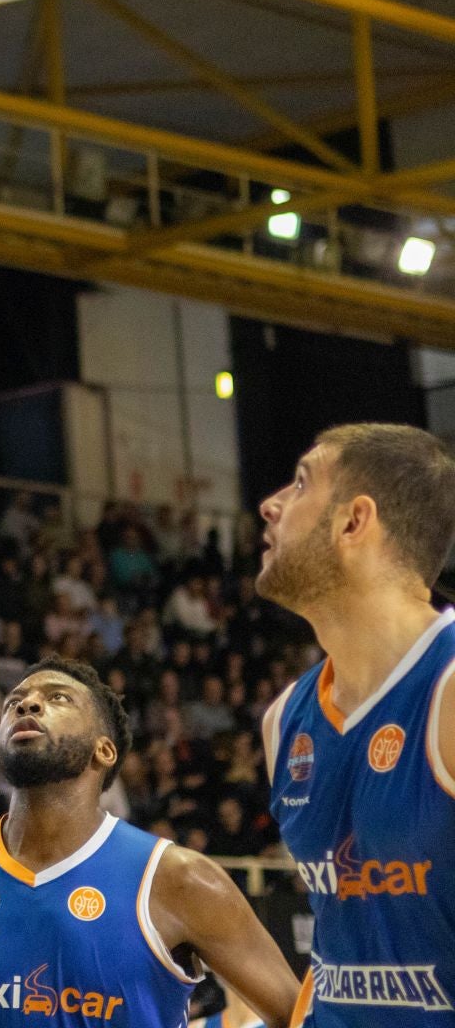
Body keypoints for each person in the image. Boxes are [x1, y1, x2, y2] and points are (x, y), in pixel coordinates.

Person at [0, 659, 296, 1028]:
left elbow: (297, 1016)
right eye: (14, 702)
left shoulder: (180, 880)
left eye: (57, 698)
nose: (27, 703)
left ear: (104, 751)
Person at [257, 424, 455, 1025]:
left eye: (300, 483)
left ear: (354, 521)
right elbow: (340, 938)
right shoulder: (283, 720)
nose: (270, 505)